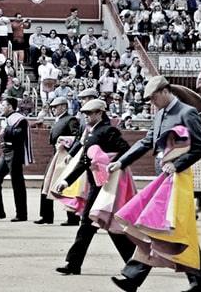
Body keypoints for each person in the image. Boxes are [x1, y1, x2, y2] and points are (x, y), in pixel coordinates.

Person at [108, 75, 201, 292]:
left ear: (166, 91)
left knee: (175, 229)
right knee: (153, 226)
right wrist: (121, 161)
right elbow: (147, 142)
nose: (152, 103)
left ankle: (197, 283)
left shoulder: (187, 112)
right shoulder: (160, 114)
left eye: (154, 98)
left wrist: (178, 165)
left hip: (178, 178)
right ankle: (134, 278)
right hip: (163, 178)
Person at [54, 98, 135, 276]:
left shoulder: (108, 130)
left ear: (100, 113)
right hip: (96, 186)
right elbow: (84, 162)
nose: (86, 116)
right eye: (85, 114)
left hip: (106, 187)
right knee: (92, 224)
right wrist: (67, 181)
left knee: (103, 224)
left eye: (90, 113)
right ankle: (74, 264)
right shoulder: (90, 132)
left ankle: (134, 263)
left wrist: (106, 161)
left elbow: (125, 150)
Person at [35, 96, 80, 226]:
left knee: (67, 184)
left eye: (55, 107)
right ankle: (46, 216)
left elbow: (76, 137)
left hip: (66, 156)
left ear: (64, 107)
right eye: (52, 107)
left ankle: (72, 218)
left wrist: (66, 143)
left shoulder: (70, 120)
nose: (53, 109)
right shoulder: (60, 119)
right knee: (47, 184)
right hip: (57, 155)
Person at [0, 96, 32, 222]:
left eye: (3, 105)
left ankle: (21, 214)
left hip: (15, 152)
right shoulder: (7, 119)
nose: (1, 107)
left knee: (17, 183)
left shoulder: (20, 119)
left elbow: (19, 134)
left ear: (10, 107)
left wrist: (6, 129)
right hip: (5, 151)